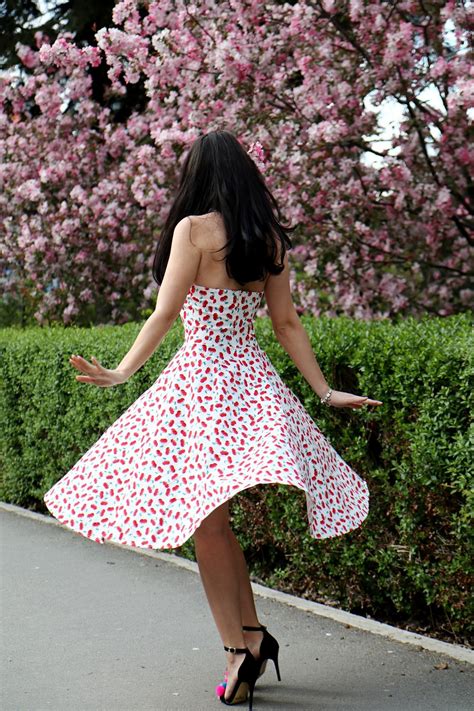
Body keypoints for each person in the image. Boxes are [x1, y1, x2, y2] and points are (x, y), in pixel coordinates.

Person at [43, 129, 383, 709]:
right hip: (251, 388)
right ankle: (251, 637)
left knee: (208, 524)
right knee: (211, 522)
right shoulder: (268, 239)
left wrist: (124, 373)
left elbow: (164, 312)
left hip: (200, 388)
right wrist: (323, 393)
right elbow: (287, 325)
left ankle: (239, 647)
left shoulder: (193, 229)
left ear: (198, 178)